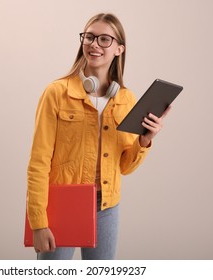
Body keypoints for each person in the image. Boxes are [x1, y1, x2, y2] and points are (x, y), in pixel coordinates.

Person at [26, 13, 171, 260]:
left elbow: (124, 166)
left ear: (119, 49)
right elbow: (38, 163)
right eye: (89, 37)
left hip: (107, 206)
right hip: (63, 205)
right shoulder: (57, 93)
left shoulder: (126, 99)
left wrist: (145, 141)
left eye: (105, 39)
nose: (94, 44)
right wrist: (38, 223)